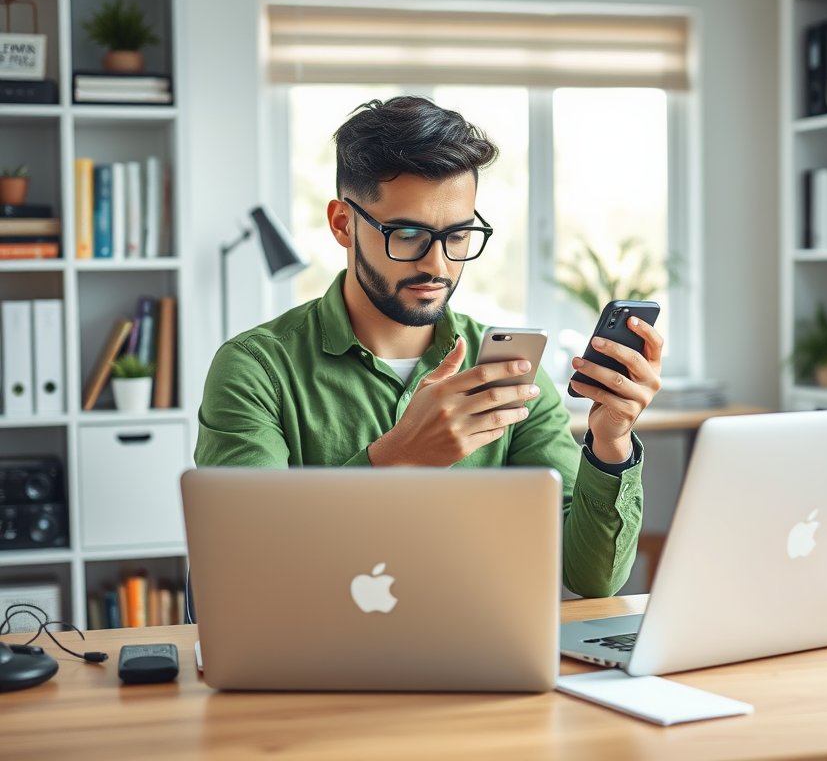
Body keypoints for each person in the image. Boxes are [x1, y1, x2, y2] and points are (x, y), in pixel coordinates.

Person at [195, 96, 664, 598]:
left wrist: (611, 443)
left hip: (478, 656)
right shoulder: (255, 369)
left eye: (459, 235)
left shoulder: (510, 372)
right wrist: (399, 459)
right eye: (410, 233)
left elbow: (592, 579)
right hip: (313, 663)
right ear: (342, 224)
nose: (439, 265)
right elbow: (248, 566)